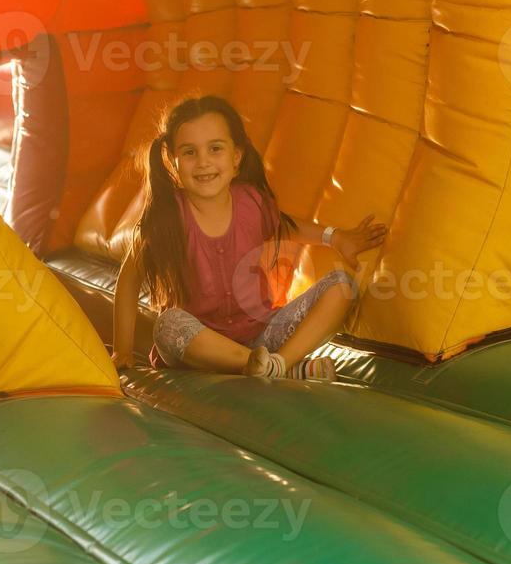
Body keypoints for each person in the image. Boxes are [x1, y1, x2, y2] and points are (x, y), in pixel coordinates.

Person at [110, 95, 386, 381]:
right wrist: (123, 351)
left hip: (263, 339)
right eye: (190, 152)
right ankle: (276, 369)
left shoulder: (251, 202)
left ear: (236, 157)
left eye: (215, 148)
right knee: (167, 325)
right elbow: (129, 278)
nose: (203, 162)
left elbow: (286, 227)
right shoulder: (166, 218)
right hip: (199, 348)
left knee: (342, 285)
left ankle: (278, 365)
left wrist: (335, 237)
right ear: (173, 161)